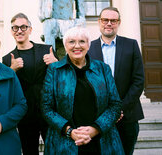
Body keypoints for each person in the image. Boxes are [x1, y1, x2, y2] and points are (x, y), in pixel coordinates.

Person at [41, 26, 124, 154]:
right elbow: (46, 108)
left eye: (82, 41)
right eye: (72, 42)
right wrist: (70, 132)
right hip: (65, 142)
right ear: (65, 46)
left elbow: (115, 104)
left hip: (102, 140)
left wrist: (95, 129)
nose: (77, 46)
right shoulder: (54, 70)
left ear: (88, 45)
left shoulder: (103, 69)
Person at [88, 7, 145, 155]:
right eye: (105, 20)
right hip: (97, 117)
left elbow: (138, 81)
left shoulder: (131, 45)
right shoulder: (88, 48)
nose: (109, 23)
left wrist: (120, 108)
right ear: (99, 22)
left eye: (113, 20)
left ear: (118, 23)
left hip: (127, 116)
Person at [2, 13, 58, 155]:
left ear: (30, 30)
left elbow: (63, 79)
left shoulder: (47, 50)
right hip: (25, 116)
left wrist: (57, 63)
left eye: (23, 27)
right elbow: (4, 88)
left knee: (54, 150)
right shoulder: (7, 59)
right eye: (15, 28)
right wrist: (11, 70)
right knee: (29, 151)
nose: (19, 30)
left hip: (49, 112)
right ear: (11, 31)